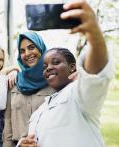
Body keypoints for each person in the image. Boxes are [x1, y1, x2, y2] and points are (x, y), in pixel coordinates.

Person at [17, 1, 114, 146]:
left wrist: (94, 34)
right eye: (44, 66)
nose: (48, 68)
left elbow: (95, 75)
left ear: (73, 68)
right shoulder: (39, 112)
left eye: (56, 62)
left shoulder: (78, 95)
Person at [3, 32, 55, 146]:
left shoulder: (54, 81)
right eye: (22, 51)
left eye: (31, 47)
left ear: (41, 48)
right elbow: (7, 123)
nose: (27, 54)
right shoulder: (14, 82)